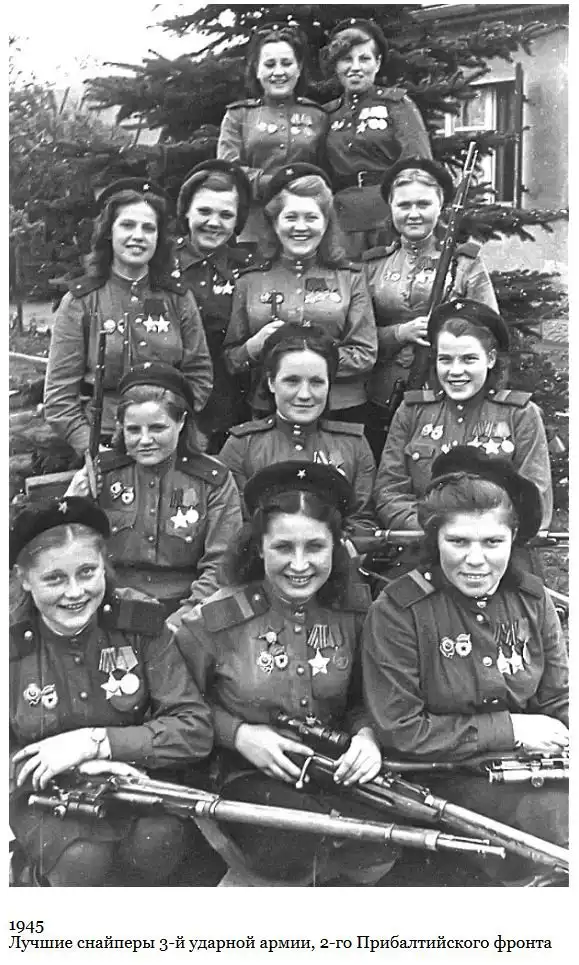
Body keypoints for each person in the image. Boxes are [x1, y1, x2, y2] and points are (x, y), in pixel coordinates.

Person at [167, 462, 398, 886]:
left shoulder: (354, 612)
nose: (299, 564)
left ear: (336, 548)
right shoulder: (214, 621)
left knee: (380, 842)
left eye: (315, 547)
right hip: (240, 772)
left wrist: (367, 736)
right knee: (291, 846)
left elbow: (364, 699)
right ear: (259, 548)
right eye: (283, 548)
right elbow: (176, 708)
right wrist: (238, 734)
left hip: (330, 767)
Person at [363, 447, 568, 886]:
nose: (476, 559)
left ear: (513, 539)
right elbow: (401, 729)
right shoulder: (399, 610)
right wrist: (511, 729)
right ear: (434, 538)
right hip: (440, 779)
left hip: (533, 769)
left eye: (493, 542)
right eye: (458, 542)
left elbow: (559, 698)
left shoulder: (532, 599)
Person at [9, 496, 214, 887]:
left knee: (159, 840)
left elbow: (194, 728)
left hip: (133, 776)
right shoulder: (11, 641)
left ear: (104, 565)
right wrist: (75, 767)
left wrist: (99, 744)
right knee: (82, 859)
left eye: (88, 572)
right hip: (42, 793)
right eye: (54, 579)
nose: (75, 592)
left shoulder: (139, 622)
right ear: (24, 578)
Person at [44, 178, 213, 457]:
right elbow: (58, 398)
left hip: (170, 440)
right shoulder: (80, 302)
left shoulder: (179, 298)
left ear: (159, 238)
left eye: (149, 228)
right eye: (127, 225)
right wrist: (92, 449)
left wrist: (171, 426)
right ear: (108, 233)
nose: (138, 236)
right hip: (104, 441)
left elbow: (199, 375)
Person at [65, 362, 242, 615]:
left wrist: (185, 618)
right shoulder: (102, 474)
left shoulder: (212, 481)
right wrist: (73, 501)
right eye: (133, 430)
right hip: (111, 605)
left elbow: (221, 564)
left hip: (188, 608)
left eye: (158, 428)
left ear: (181, 422)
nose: (145, 440)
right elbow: (71, 551)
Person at [374, 299, 553, 538]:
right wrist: (437, 530)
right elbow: (389, 492)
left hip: (496, 546)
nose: (456, 371)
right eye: (445, 359)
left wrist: (476, 533)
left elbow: (535, 500)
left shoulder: (520, 414)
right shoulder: (411, 412)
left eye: (469, 359)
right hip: (422, 541)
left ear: (490, 359)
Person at [363, 157, 499, 459]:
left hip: (449, 393)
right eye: (403, 205)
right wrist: (400, 333)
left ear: (441, 207)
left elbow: (491, 334)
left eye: (424, 204)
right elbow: (358, 336)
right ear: (391, 207)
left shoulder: (464, 264)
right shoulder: (373, 265)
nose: (414, 214)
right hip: (382, 397)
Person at [222, 163, 377, 423]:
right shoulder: (249, 281)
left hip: (341, 411)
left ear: (326, 223)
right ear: (274, 223)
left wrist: (311, 361)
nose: (301, 227)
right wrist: (252, 347)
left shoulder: (350, 278)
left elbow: (365, 353)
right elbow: (231, 359)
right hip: (269, 410)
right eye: (291, 217)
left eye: (311, 218)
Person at [220, 323, 379, 538]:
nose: (305, 394)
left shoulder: (353, 445)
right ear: (271, 382)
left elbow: (363, 522)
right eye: (292, 381)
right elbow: (233, 526)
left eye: (316, 382)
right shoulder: (242, 446)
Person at [321, 19, 432, 258]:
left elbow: (418, 162)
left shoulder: (397, 105)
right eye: (346, 59)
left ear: (378, 62)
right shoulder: (328, 115)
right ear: (336, 65)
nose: (355, 67)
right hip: (342, 219)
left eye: (364, 59)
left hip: (387, 215)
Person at [217, 23, 328, 245]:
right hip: (254, 224)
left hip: (304, 221)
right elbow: (229, 170)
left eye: (286, 63)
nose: (278, 72)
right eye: (269, 64)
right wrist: (275, 182)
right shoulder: (239, 115)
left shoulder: (318, 116)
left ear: (299, 68)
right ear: (257, 70)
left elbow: (327, 171)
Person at [174, 160, 255, 451]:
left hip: (234, 400)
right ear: (186, 210)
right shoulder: (160, 263)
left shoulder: (250, 268)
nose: (214, 223)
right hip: (175, 399)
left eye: (226, 215)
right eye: (204, 211)